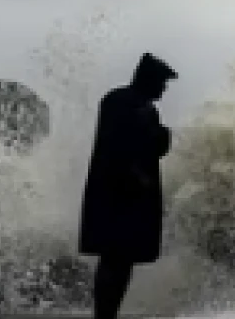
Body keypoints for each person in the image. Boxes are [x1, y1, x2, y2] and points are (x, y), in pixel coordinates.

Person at [78, 52, 176, 319]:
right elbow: (116, 146)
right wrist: (135, 175)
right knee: (115, 258)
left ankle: (108, 314)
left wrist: (162, 135)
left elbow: (152, 148)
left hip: (128, 194)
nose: (164, 89)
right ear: (148, 79)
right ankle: (104, 315)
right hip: (119, 194)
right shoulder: (122, 102)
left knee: (121, 259)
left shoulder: (137, 105)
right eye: (162, 83)